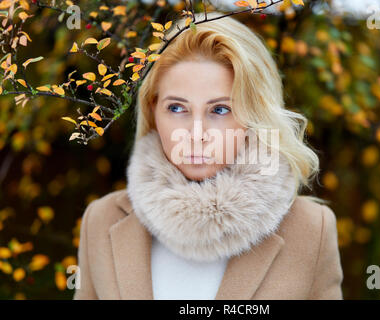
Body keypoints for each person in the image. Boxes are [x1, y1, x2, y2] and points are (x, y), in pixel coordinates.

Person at [73, 11, 344, 300]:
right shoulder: (101, 221)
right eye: (177, 108)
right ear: (153, 109)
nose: (196, 133)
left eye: (220, 109)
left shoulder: (313, 230)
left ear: (254, 115)